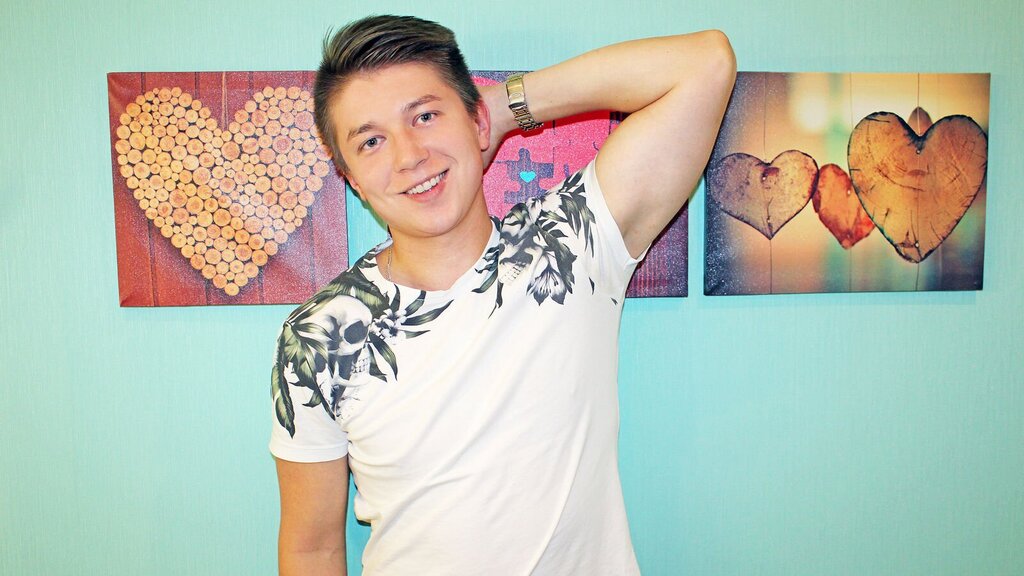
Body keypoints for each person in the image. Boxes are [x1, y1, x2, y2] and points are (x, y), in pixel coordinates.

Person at [270, 14, 735, 575]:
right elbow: (312, 548)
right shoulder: (317, 338)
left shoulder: (572, 243)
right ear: (351, 179)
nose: (409, 155)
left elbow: (706, 63)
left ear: (477, 122)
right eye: (371, 141)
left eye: (425, 115)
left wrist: (504, 107)